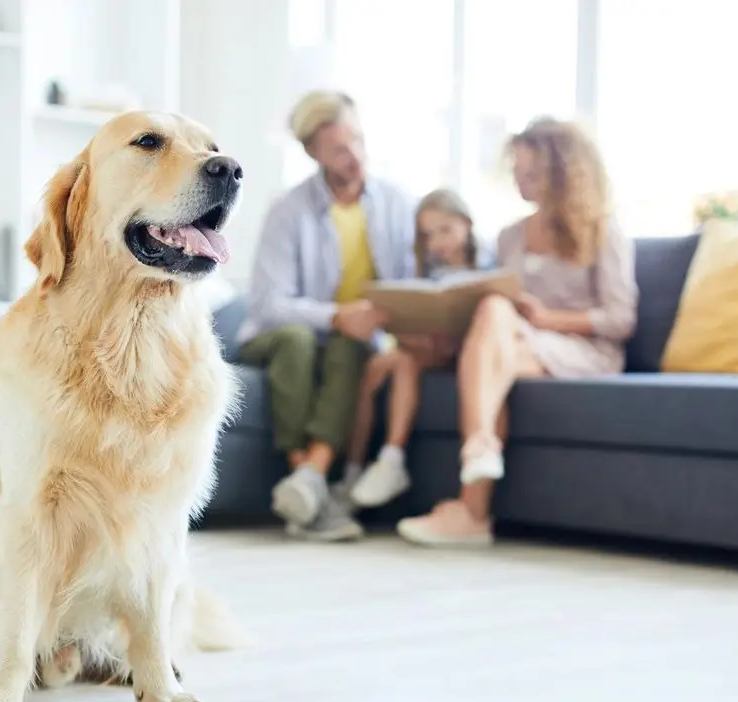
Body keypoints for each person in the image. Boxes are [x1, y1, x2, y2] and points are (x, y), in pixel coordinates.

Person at [396, 117, 638, 547]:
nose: (521, 182)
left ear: (563, 173)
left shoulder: (604, 231)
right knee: (492, 315)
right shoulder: (510, 236)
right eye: (517, 173)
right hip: (521, 343)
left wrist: (548, 319)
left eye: (532, 174)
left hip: (585, 350)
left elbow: (621, 319)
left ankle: (472, 502)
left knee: (491, 346)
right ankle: (477, 473)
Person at [235, 90, 416, 541]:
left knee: (350, 346)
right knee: (299, 341)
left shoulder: (396, 203)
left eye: (356, 139)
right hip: (277, 336)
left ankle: (307, 486)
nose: (353, 155)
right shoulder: (289, 210)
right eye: (338, 148)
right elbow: (269, 305)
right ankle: (310, 482)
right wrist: (337, 315)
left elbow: (414, 282)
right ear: (313, 152)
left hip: (353, 340)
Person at [341, 187, 495, 509]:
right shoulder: (425, 272)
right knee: (380, 364)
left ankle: (388, 460)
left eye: (446, 230)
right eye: (427, 235)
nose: (438, 242)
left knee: (403, 360)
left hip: (474, 353)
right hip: (431, 350)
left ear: (467, 223)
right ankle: (360, 468)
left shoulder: (491, 263)